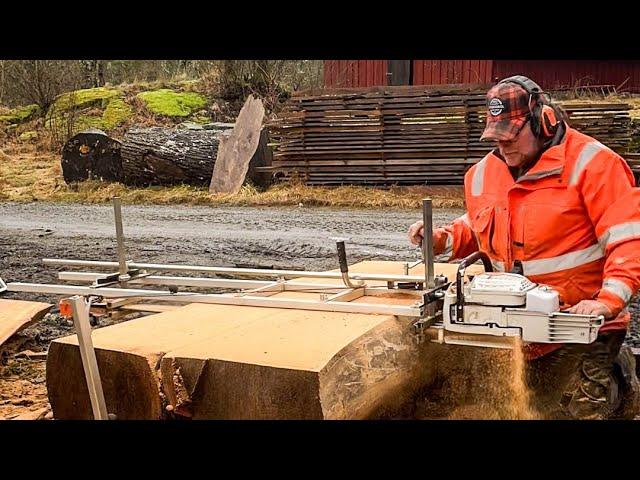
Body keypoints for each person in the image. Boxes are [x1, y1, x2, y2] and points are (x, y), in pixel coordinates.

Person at [408, 75, 640, 419]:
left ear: (542, 120)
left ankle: (613, 382)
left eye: (512, 137)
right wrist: (443, 239)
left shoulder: (594, 165)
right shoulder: (484, 174)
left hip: (581, 326)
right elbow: (480, 224)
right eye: (496, 138)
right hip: (519, 331)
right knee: (523, 409)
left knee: (578, 412)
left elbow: (628, 239)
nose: (504, 147)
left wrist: (606, 302)